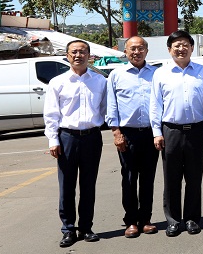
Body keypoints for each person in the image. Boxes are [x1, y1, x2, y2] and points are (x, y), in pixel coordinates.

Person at [150, 30, 203, 237]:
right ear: (169, 49)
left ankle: (192, 218)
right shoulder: (161, 73)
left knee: (194, 178)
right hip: (171, 131)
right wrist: (157, 132)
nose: (181, 49)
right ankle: (173, 220)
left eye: (185, 44)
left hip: (196, 131)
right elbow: (155, 104)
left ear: (192, 48)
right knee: (172, 179)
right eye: (176, 45)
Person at [44, 40, 107, 248]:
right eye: (74, 52)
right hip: (67, 138)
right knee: (67, 185)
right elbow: (51, 114)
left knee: (89, 184)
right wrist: (53, 139)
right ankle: (68, 229)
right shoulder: (58, 82)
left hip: (92, 137)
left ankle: (86, 227)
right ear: (67, 55)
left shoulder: (100, 81)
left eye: (82, 52)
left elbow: (106, 109)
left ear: (89, 55)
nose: (78, 55)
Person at [106, 36, 159, 238]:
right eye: (132, 49)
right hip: (127, 134)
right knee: (129, 177)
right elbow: (111, 105)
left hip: (151, 133)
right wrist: (116, 132)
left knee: (148, 178)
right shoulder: (116, 75)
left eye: (140, 48)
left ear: (147, 50)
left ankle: (145, 219)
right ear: (125, 52)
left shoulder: (156, 73)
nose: (137, 52)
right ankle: (130, 221)